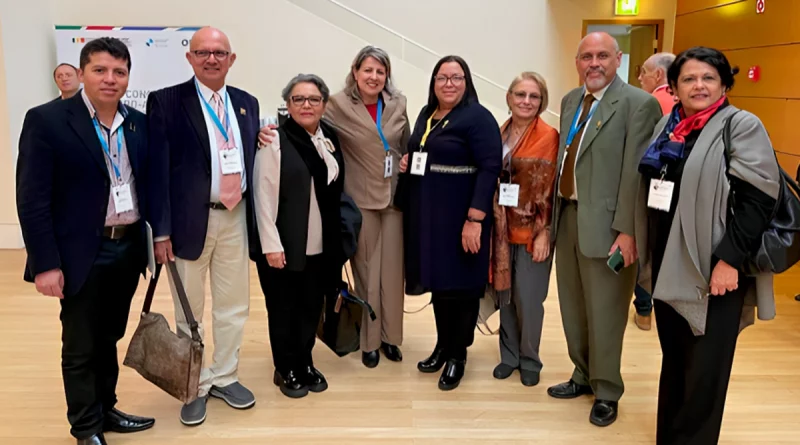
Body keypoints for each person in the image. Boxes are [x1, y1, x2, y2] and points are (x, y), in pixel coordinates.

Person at [635, 47, 780, 445]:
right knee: (677, 358)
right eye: (688, 79)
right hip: (669, 259)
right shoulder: (671, 124)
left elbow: (758, 201)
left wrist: (729, 261)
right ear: (674, 86)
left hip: (713, 265)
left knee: (705, 367)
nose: (698, 85)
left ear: (724, 84)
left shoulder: (741, 125)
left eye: (708, 78)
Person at [17, 37, 154, 445]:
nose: (110, 79)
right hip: (79, 253)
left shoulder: (137, 122)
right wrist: (45, 263)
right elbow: (32, 198)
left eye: (119, 72)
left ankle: (105, 407)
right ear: (80, 74)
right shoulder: (48, 120)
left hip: (127, 247)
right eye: (100, 70)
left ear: (128, 77)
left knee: (109, 334)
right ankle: (85, 428)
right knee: (79, 343)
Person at [146, 27, 261, 426]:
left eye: (219, 52)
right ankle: (193, 385)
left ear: (232, 59)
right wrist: (160, 231)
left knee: (234, 306)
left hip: (235, 218)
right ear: (190, 58)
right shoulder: (166, 102)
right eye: (202, 52)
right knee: (188, 309)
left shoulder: (247, 103)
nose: (211, 59)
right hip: (185, 224)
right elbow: (156, 172)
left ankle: (225, 374)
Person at [547, 32, 662, 427]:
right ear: (576, 62)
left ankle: (608, 389)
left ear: (618, 61)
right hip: (568, 218)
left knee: (607, 313)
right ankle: (582, 375)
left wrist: (628, 231)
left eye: (602, 56)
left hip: (611, 228)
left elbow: (636, 173)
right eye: (585, 57)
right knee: (573, 308)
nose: (593, 63)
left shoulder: (639, 104)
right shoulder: (570, 101)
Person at [399, 55, 502, 391]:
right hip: (430, 217)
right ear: (433, 82)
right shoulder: (427, 114)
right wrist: (408, 160)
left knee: (462, 288)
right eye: (442, 78)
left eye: (456, 78)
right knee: (441, 287)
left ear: (466, 81)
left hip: (463, 217)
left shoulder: (478, 118)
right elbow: (423, 151)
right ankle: (443, 345)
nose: (449, 84)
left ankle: (458, 354)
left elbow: (489, 169)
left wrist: (475, 218)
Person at [253, 74, 345, 399]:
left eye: (313, 99)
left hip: (320, 245)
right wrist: (271, 245)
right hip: (284, 244)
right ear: (287, 105)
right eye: (298, 99)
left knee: (310, 307)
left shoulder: (329, 138)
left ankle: (305, 360)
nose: (306, 105)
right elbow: (263, 197)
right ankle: (286, 367)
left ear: (324, 103)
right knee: (283, 308)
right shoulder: (274, 140)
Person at [325, 46, 410, 368]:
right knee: (367, 272)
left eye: (380, 71)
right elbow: (308, 126)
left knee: (392, 274)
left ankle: (391, 338)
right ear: (355, 72)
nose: (374, 77)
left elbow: (406, 143)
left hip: (394, 198)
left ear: (386, 75)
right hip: (360, 200)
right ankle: (369, 341)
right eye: (368, 70)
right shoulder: (337, 105)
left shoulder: (398, 103)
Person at [489, 72, 558, 387]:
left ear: (541, 102)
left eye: (533, 96)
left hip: (533, 233)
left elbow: (551, 189)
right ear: (509, 97)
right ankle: (509, 356)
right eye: (520, 95)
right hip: (502, 229)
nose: (526, 101)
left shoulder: (549, 136)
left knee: (529, 300)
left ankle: (530, 359)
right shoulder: (499, 132)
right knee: (505, 295)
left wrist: (545, 231)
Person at [631, 52, 676, 331]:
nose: (640, 78)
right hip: (680, 192)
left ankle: (644, 310)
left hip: (651, 187)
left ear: (658, 75)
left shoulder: (648, 104)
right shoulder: (683, 105)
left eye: (643, 72)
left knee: (645, 242)